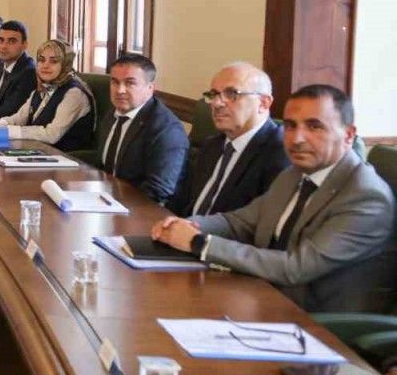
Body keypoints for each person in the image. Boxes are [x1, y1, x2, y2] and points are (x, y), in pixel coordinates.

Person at [151, 85, 396, 312]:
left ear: (349, 135)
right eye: (290, 126)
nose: (297, 139)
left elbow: (295, 268)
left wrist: (199, 243)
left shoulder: (366, 197)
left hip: (318, 323)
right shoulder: (294, 174)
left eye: (314, 126)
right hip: (261, 296)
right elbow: (240, 222)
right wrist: (187, 225)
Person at [169, 62, 289, 217]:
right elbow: (181, 201)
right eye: (213, 94)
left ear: (263, 103)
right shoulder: (211, 145)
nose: (216, 103)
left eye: (232, 94)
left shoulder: (279, 153)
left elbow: (258, 223)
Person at [94, 54, 188, 203]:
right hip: (105, 198)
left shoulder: (166, 129)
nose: (120, 90)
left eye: (130, 83)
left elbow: (158, 190)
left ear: (150, 88)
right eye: (115, 82)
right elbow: (102, 167)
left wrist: (113, 204)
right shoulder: (112, 115)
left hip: (143, 209)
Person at [0, 39, 95, 150]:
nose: (45, 66)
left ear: (65, 65)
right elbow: (20, 117)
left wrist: (6, 131)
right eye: (41, 60)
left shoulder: (74, 93)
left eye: (54, 61)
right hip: (38, 151)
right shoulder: (43, 86)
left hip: (66, 156)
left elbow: (51, 135)